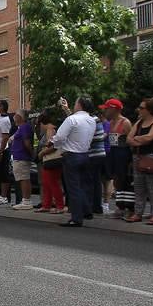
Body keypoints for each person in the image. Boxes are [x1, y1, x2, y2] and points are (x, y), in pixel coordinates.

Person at [49, 96, 96, 227]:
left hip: (71, 155)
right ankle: (87, 210)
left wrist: (53, 142)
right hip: (85, 154)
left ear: (79, 105)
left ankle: (76, 218)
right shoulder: (91, 120)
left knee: (74, 187)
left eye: (76, 103)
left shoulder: (72, 119)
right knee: (84, 186)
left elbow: (60, 136)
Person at [125, 98, 153, 224]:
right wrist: (140, 140)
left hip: (152, 158)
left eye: (142, 108)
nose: (139, 109)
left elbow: (150, 137)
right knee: (139, 187)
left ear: (149, 110)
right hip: (138, 157)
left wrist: (136, 139)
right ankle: (138, 213)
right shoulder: (139, 122)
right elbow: (128, 138)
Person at [101, 99, 133, 219]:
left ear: (113, 109)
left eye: (107, 108)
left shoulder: (125, 122)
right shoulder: (111, 122)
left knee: (125, 180)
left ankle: (129, 208)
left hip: (123, 153)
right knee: (116, 180)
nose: (105, 111)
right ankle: (120, 207)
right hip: (113, 152)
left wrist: (131, 159)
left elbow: (130, 141)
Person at [35, 112, 65, 214]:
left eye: (38, 125)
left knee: (52, 183)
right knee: (47, 183)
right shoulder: (51, 129)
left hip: (52, 160)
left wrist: (42, 153)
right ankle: (46, 205)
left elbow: (53, 146)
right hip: (49, 160)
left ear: (42, 123)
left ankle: (59, 206)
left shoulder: (50, 130)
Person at [9, 109, 34, 210]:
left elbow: (27, 142)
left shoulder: (24, 127)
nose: (14, 116)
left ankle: (26, 201)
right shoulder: (20, 128)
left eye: (16, 115)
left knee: (24, 178)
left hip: (22, 157)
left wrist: (31, 154)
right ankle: (25, 200)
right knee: (21, 178)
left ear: (20, 117)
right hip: (18, 156)